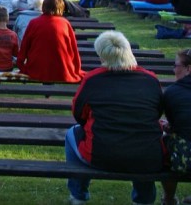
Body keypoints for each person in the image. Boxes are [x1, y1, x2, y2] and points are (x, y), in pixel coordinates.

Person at [65, 31, 163, 205]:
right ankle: (144, 199)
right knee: (146, 142)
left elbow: (78, 114)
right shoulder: (150, 79)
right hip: (146, 155)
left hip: (101, 154)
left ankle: (78, 194)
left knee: (71, 134)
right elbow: (156, 113)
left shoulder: (93, 79)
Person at [18, 0, 84, 83]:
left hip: (37, 69)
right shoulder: (65, 23)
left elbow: (24, 46)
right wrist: (76, 68)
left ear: (44, 6)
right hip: (61, 69)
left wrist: (21, 64)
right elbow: (73, 49)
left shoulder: (34, 23)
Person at [160, 49, 191, 205]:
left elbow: (176, 126)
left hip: (186, 158)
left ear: (188, 68)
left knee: (165, 146)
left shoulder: (172, 93)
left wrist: (169, 127)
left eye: (176, 65)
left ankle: (169, 198)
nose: (174, 70)